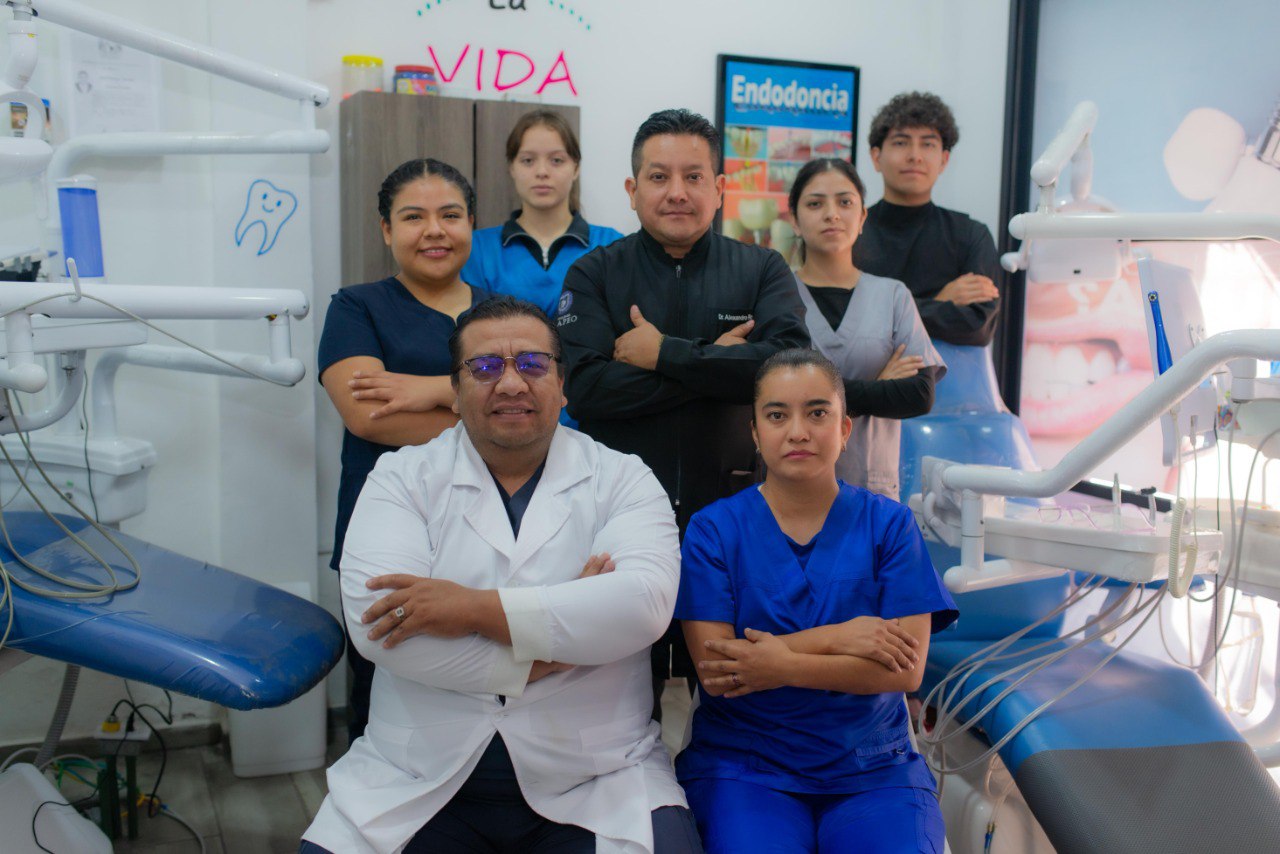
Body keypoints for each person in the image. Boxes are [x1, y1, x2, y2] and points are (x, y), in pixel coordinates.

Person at [302, 296, 702, 854]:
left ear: (563, 385)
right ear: (456, 389)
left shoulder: (623, 479)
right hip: (417, 776)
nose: (511, 383)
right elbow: (381, 632)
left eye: (534, 365)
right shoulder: (400, 478)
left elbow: (641, 608)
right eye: (485, 367)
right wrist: (562, 644)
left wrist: (466, 610)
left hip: (597, 775)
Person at [558, 108, 810, 711]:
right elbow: (587, 389)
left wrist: (662, 353)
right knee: (614, 700)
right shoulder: (594, 272)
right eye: (659, 176)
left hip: (738, 515)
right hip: (612, 521)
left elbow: (787, 370)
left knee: (733, 695)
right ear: (631, 188)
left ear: (720, 189)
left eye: (695, 176)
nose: (677, 192)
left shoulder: (760, 269)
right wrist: (720, 369)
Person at [675, 349, 958, 853]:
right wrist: (837, 639)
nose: (798, 431)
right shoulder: (714, 530)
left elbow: (906, 672)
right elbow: (718, 674)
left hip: (874, 768)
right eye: (777, 415)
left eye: (817, 412)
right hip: (746, 768)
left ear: (845, 429)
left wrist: (780, 665)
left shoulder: (889, 526)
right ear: (755, 433)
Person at [317, 158, 491, 745]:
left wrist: (429, 389)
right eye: (413, 217)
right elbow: (368, 417)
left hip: (490, 524)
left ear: (472, 223)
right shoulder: (356, 307)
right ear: (387, 230)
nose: (434, 231)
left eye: (450, 215)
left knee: (483, 686)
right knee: (387, 692)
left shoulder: (500, 315)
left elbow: (538, 409)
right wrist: (478, 403)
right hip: (388, 530)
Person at [788, 158, 945, 501]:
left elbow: (919, 394)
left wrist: (820, 403)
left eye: (845, 202)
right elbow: (777, 400)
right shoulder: (778, 297)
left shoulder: (892, 296)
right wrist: (877, 387)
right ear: (795, 220)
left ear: (862, 218)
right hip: (792, 491)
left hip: (873, 492)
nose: (832, 214)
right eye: (815, 203)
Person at [856, 91, 1002, 347]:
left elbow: (979, 327)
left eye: (928, 144)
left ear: (944, 160)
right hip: (863, 383)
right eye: (901, 142)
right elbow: (841, 316)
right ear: (876, 157)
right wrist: (938, 302)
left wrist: (890, 313)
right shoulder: (850, 232)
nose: (915, 155)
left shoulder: (970, 235)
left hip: (951, 385)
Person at [462, 109, 623, 319]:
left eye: (556, 160)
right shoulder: (476, 249)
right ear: (511, 167)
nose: (542, 172)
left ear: (575, 168)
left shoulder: (611, 245)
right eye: (528, 160)